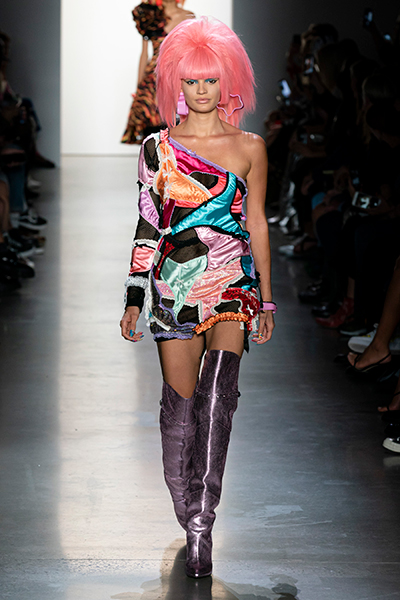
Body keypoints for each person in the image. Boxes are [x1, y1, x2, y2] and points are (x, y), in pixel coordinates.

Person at [120, 17, 275, 578]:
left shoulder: (250, 148)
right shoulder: (156, 149)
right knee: (179, 412)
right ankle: (187, 508)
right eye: (192, 80)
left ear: (226, 80)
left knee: (217, 403)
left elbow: (257, 223)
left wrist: (266, 298)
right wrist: (134, 296)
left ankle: (203, 524)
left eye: (211, 79)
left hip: (233, 284)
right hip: (173, 287)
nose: (203, 90)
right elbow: (147, 226)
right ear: (177, 84)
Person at [121, 0, 194, 144]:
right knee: (151, 123)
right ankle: (153, 157)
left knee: (175, 123)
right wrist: (138, 86)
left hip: (178, 74)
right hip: (153, 76)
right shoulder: (150, 15)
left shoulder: (188, 17)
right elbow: (144, 53)